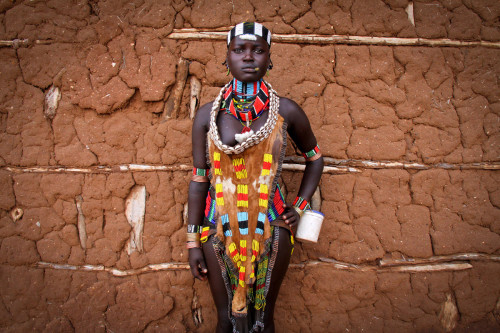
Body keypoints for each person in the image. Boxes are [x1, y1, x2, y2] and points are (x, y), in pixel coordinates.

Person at [187, 22, 324, 333]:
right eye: (239, 50)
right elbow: (198, 181)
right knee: (226, 321)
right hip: (216, 229)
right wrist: (193, 242)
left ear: (269, 59)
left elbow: (315, 160)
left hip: (273, 227)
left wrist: (299, 206)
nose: (249, 57)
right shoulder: (208, 116)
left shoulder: (286, 111)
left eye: (258, 50)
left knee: (262, 321)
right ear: (227, 58)